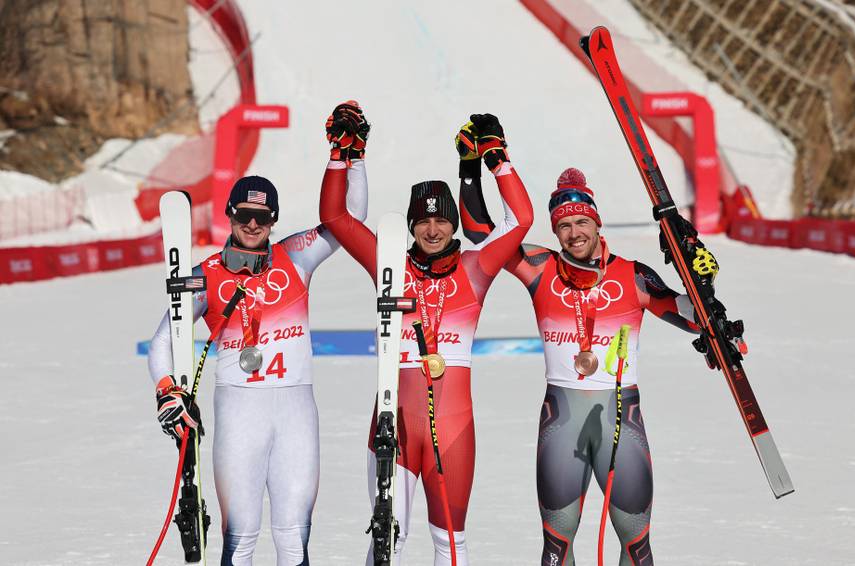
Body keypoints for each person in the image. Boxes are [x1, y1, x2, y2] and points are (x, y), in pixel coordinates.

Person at [457, 129, 707, 566]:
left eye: (581, 222)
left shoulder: (633, 276)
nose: (574, 233)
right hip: (562, 420)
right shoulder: (540, 268)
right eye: (564, 225)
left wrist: (702, 277)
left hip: (621, 420)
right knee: (557, 545)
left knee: (637, 545)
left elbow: (691, 316)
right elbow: (482, 235)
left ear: (597, 222)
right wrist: (478, 165)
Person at [148, 101, 371, 566]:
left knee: (293, 539)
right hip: (239, 409)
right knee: (240, 539)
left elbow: (350, 220)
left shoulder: (297, 255)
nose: (253, 224)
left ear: (273, 220)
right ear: (230, 216)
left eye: (263, 217)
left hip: (296, 407)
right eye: (244, 215)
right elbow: (164, 339)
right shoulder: (206, 274)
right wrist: (168, 390)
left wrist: (349, 156)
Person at [320, 113, 533, 565]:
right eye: (422, 222)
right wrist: (343, 156)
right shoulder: (388, 262)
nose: (432, 230)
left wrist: (497, 159)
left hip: (453, 431)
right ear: (411, 226)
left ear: (453, 225)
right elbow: (335, 216)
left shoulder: (476, 268)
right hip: (393, 425)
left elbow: (521, 220)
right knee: (387, 539)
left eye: (441, 221)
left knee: (450, 542)